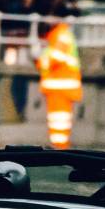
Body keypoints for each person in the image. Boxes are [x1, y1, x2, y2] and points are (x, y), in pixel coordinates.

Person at [36, 20, 83, 149]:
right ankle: (59, 146)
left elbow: (52, 59)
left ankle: (59, 148)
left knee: (58, 121)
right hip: (63, 86)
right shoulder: (62, 33)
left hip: (60, 86)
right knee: (60, 121)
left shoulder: (59, 34)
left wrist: (41, 61)